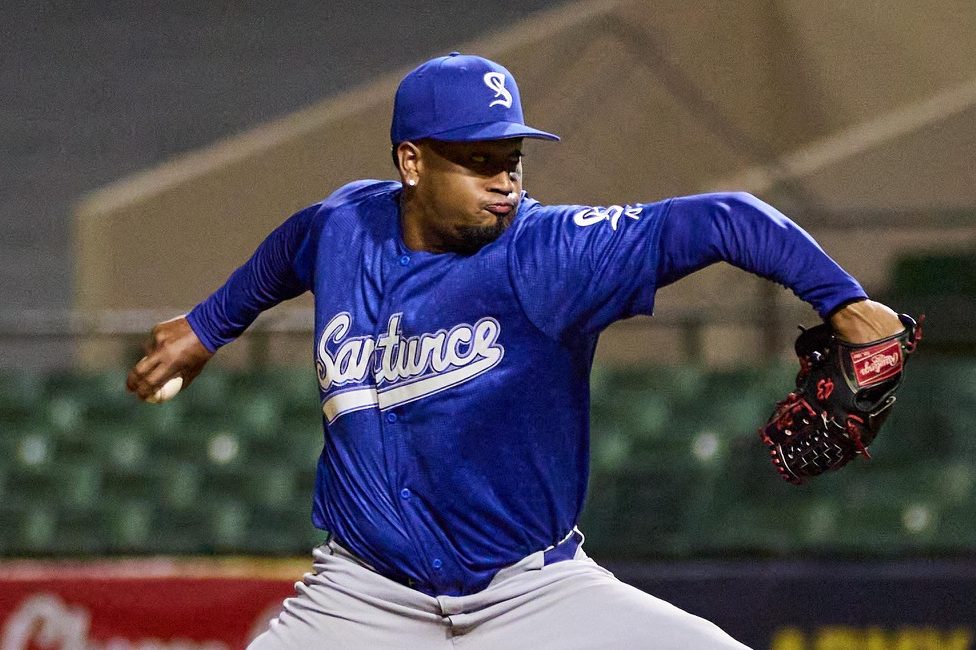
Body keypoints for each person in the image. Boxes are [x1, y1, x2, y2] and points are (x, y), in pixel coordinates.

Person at [127, 52, 905, 649]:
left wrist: (846, 302)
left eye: (512, 157)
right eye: (477, 161)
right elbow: (290, 248)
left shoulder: (548, 254)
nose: (504, 181)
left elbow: (726, 218)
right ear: (411, 163)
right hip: (361, 597)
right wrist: (209, 325)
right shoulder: (345, 227)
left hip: (530, 595)